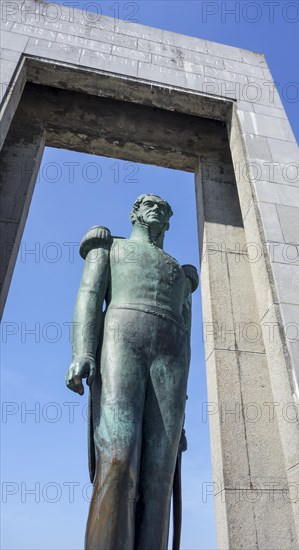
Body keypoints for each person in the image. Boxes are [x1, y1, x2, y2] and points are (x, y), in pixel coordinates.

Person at [65, 194, 198, 550]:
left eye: (165, 208)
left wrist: (181, 415)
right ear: (134, 213)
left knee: (160, 475)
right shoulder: (109, 246)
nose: (158, 209)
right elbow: (89, 296)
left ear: (169, 221)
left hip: (171, 358)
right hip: (121, 340)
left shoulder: (182, 274)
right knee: (119, 458)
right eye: (149, 204)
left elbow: (186, 337)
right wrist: (82, 352)